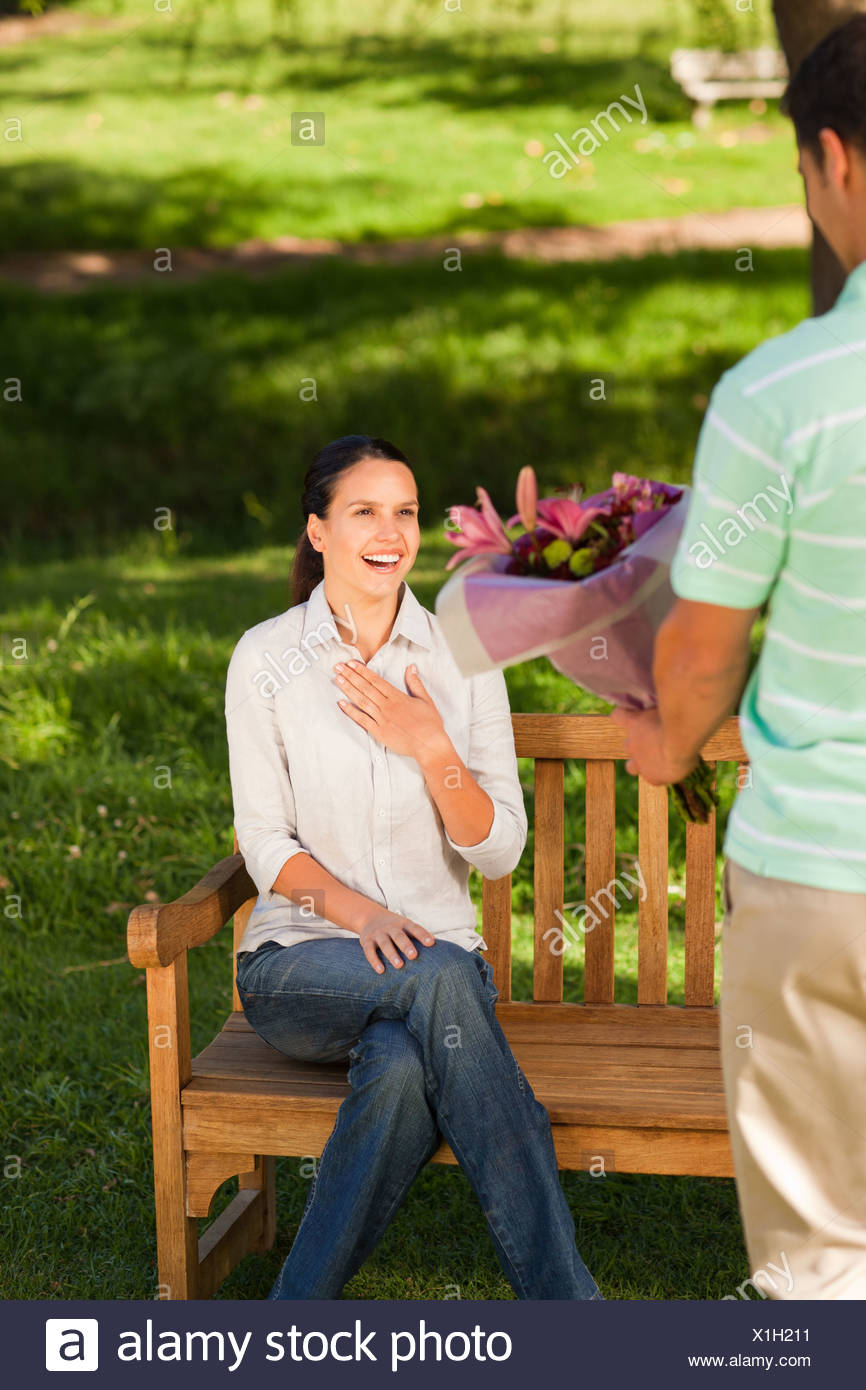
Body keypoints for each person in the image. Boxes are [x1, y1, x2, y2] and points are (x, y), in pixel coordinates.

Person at [225, 433, 603, 1301]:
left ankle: (291, 1323)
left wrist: (431, 745)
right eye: (364, 510)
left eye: (405, 512)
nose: (390, 531)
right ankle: (571, 1311)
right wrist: (363, 917)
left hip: (437, 976)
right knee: (435, 976)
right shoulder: (266, 660)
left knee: (399, 1068)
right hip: (301, 970)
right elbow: (265, 841)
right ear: (318, 530)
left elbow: (500, 848)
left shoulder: (460, 659)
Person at [612, 15, 866, 1300]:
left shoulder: (779, 395)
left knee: (822, 1271)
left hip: (819, 879)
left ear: (835, 160)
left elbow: (703, 641)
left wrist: (659, 741)